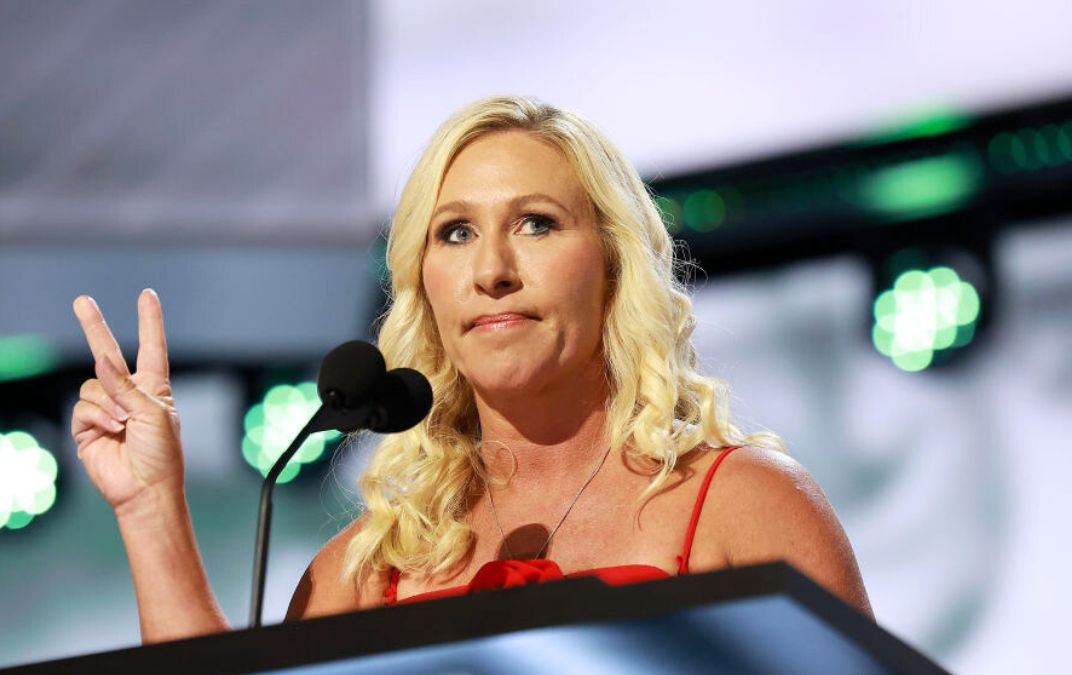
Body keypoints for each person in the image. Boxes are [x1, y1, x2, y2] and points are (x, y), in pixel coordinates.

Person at [71, 95, 872, 643]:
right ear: (425, 282)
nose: (492, 269)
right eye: (454, 233)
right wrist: (150, 507)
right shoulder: (359, 575)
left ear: (614, 267)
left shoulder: (745, 507)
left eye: (535, 223)